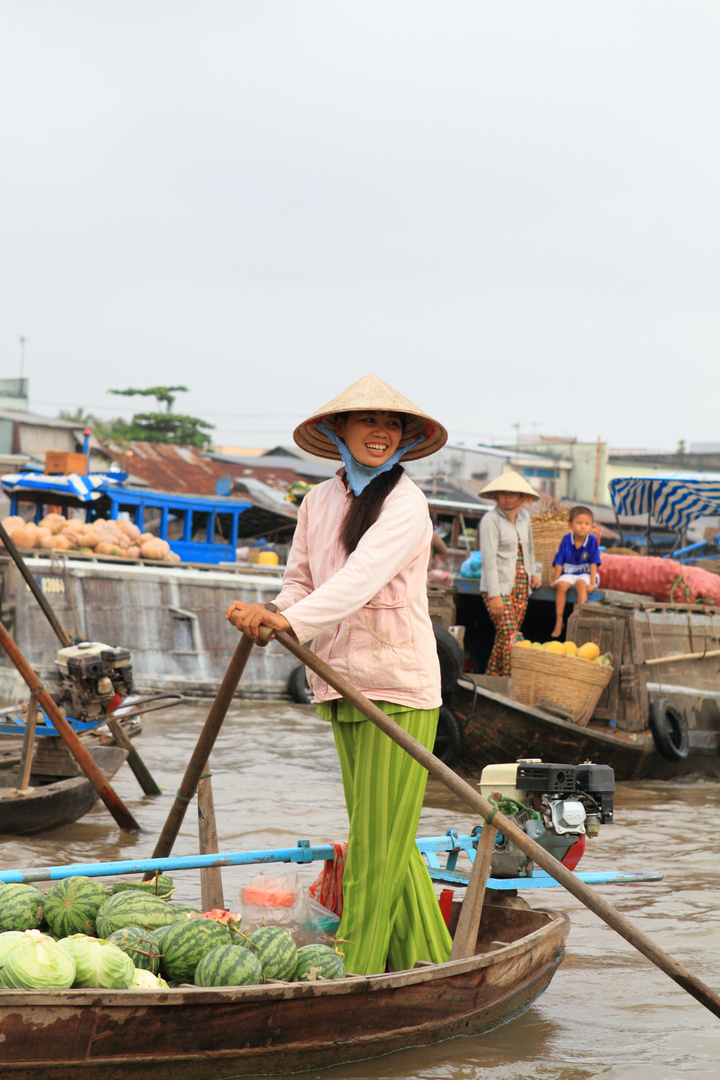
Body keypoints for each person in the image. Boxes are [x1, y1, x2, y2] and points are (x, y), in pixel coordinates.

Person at [225, 374, 452, 976]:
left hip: (398, 682)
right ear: (339, 431)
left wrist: (285, 622)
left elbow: (359, 580)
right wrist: (274, 611)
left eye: (392, 424)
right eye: (368, 422)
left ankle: (356, 965)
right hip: (337, 676)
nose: (381, 432)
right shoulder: (318, 502)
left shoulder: (406, 504)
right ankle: (428, 956)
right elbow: (301, 580)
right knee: (383, 834)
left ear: (404, 438)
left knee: (380, 845)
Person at [478, 472, 541, 675]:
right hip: (498, 588)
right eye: (503, 493)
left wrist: (533, 573)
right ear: (495, 496)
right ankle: (509, 679)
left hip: (521, 586)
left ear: (523, 497)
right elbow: (488, 559)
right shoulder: (490, 520)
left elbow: (529, 549)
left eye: (513, 493)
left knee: (505, 637)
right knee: (512, 636)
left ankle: (491, 679)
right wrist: (495, 595)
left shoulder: (524, 518)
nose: (507, 497)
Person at [550, 506, 601, 637]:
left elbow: (594, 563)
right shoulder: (567, 539)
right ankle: (559, 619)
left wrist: (592, 583)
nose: (583, 526)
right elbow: (559, 561)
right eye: (579, 523)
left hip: (586, 574)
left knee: (581, 585)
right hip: (569, 573)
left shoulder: (592, 541)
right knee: (561, 586)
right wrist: (555, 580)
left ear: (592, 526)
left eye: (587, 524)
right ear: (570, 524)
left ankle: (580, 617)